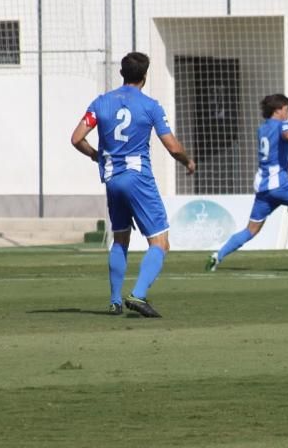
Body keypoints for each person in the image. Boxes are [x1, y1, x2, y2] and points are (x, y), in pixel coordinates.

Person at [71, 52, 196, 318]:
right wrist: (188, 162)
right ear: (145, 76)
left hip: (112, 179)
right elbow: (172, 147)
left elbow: (76, 138)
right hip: (138, 177)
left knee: (120, 239)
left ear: (122, 73)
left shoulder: (101, 103)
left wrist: (96, 155)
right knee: (160, 243)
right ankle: (138, 295)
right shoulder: (150, 106)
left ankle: (115, 301)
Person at [206, 94, 288, 271]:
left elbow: (278, 146)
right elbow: (287, 134)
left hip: (263, 188)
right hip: (281, 185)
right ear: (278, 110)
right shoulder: (283, 125)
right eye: (287, 109)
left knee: (251, 230)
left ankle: (217, 256)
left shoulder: (262, 129)